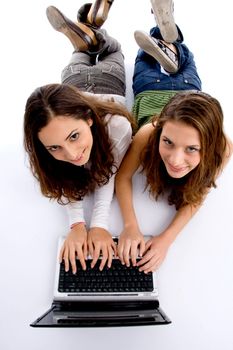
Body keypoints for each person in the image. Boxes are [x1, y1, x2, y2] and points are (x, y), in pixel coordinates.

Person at [115, 0, 233, 273]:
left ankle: (165, 35)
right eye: (167, 142)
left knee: (147, 57)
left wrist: (166, 239)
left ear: (210, 144)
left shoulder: (223, 147)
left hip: (173, 91)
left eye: (192, 149)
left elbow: (199, 194)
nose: (175, 159)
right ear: (161, 129)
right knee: (184, 57)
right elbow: (121, 177)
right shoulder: (150, 131)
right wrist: (130, 226)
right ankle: (169, 37)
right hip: (184, 91)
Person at [23, 1, 134, 274]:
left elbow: (107, 175)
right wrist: (76, 225)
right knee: (83, 49)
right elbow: (65, 175)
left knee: (111, 50)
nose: (72, 155)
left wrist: (98, 225)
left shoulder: (117, 127)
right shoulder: (46, 134)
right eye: (55, 147)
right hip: (70, 82)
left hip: (107, 81)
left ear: (88, 118)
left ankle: (93, 30)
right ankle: (89, 29)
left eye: (74, 136)